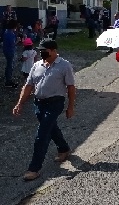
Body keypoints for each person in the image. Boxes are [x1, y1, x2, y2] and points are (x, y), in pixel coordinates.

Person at [12, 40, 75, 181]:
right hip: (39, 103)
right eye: (40, 51)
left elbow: (71, 87)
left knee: (42, 134)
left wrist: (70, 107)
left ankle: (34, 168)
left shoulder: (64, 66)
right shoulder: (37, 65)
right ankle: (64, 149)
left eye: (44, 51)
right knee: (51, 128)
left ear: (53, 50)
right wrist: (19, 104)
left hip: (55, 103)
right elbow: (28, 86)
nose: (41, 53)